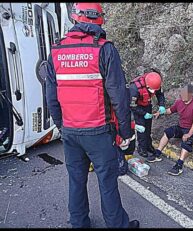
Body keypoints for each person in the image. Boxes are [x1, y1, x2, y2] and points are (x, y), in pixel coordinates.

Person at [45, 3, 139, 228]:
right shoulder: (104, 49)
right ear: (99, 19)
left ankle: (79, 223)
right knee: (107, 182)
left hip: (70, 131)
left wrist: (62, 125)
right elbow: (119, 96)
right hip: (98, 132)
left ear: (76, 18)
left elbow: (51, 96)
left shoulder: (56, 51)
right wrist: (126, 132)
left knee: (76, 180)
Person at [151, 84, 193, 176]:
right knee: (168, 132)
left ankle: (179, 165)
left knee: (187, 141)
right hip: (181, 127)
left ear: (191, 94)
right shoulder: (179, 102)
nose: (182, 96)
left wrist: (189, 134)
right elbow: (170, 110)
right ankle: (157, 153)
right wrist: (159, 112)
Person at [129, 70, 166, 158]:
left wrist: (161, 105)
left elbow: (160, 94)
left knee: (148, 128)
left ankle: (148, 145)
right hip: (138, 107)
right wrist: (143, 113)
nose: (153, 92)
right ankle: (142, 148)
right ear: (147, 84)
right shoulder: (135, 88)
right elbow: (132, 105)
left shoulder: (156, 84)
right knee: (142, 128)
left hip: (147, 105)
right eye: (152, 90)